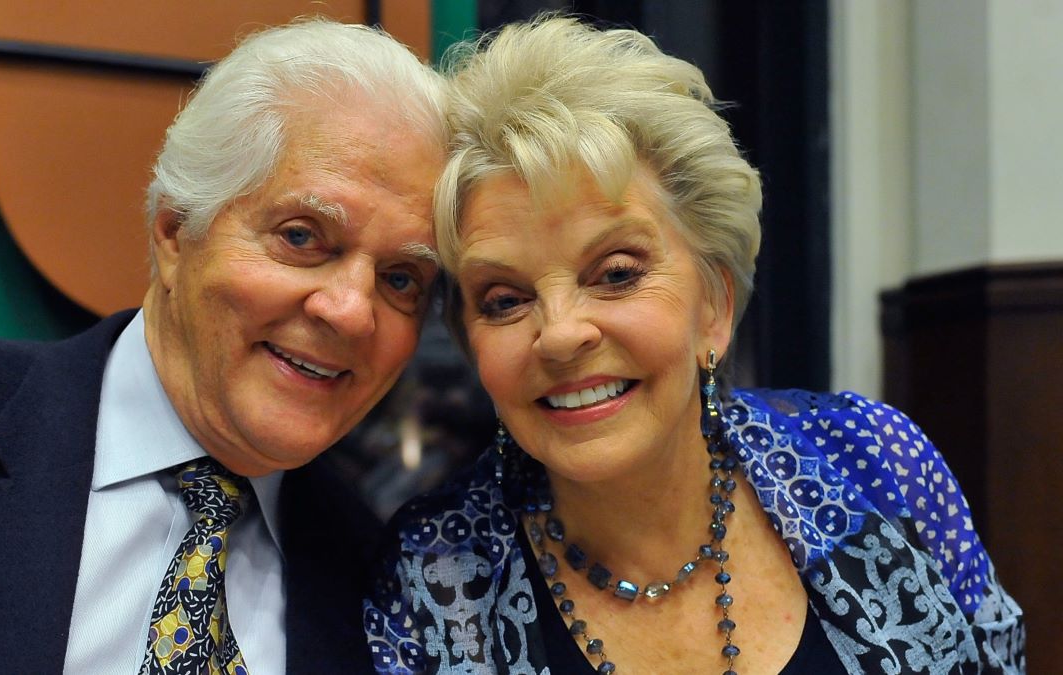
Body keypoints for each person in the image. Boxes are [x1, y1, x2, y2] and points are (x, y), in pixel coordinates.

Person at [364, 15, 1024, 674]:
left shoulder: (877, 463)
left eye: (616, 273)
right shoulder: (430, 579)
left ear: (715, 304)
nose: (561, 333)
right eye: (504, 300)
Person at [0, 18, 446, 674]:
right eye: (302, 237)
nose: (351, 312)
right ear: (176, 231)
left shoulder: (391, 598)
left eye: (402, 279)